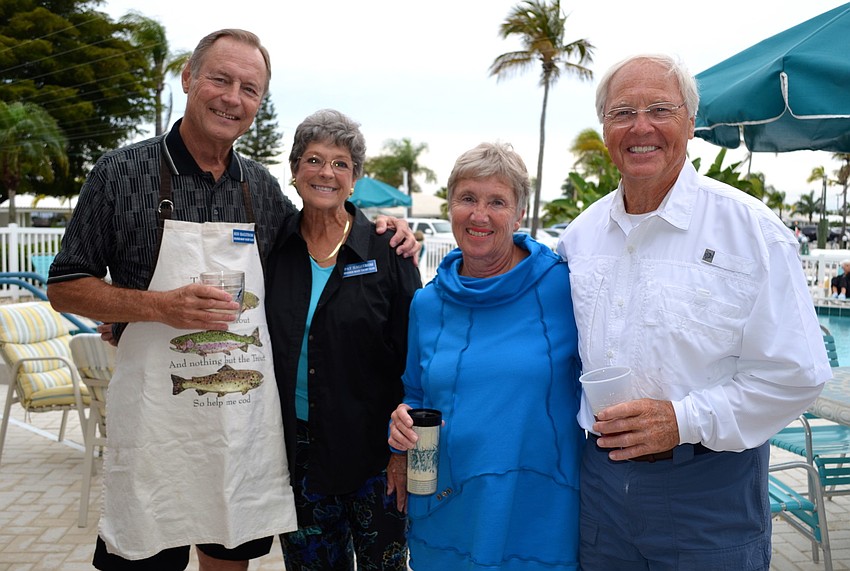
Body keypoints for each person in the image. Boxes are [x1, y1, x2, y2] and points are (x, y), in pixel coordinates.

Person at [46, 29, 418, 571]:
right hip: (155, 428)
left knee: (228, 559)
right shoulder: (120, 173)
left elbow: (322, 238)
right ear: (189, 79)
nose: (232, 97)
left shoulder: (260, 190)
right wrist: (153, 308)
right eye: (221, 79)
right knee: (144, 554)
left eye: (249, 89)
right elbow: (64, 286)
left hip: (237, 433)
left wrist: (388, 229)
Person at [557, 53, 830, 571]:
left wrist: (682, 420)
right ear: (605, 128)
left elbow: (798, 374)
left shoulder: (752, 232)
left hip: (709, 490)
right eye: (622, 113)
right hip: (599, 486)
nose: (641, 127)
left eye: (659, 109)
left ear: (690, 121)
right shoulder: (580, 236)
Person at [389, 142, 584, 571]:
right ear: (450, 206)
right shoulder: (427, 303)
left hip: (537, 514)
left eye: (497, 201)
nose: (480, 215)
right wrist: (399, 431)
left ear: (518, 216)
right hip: (446, 511)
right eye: (468, 199)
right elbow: (415, 393)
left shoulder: (563, 288)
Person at [264, 108, 421, 570]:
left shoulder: (387, 249)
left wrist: (402, 454)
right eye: (313, 160)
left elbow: (418, 354)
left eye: (340, 163)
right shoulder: (275, 247)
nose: (325, 172)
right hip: (299, 458)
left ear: (354, 178)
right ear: (294, 172)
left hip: (376, 453)